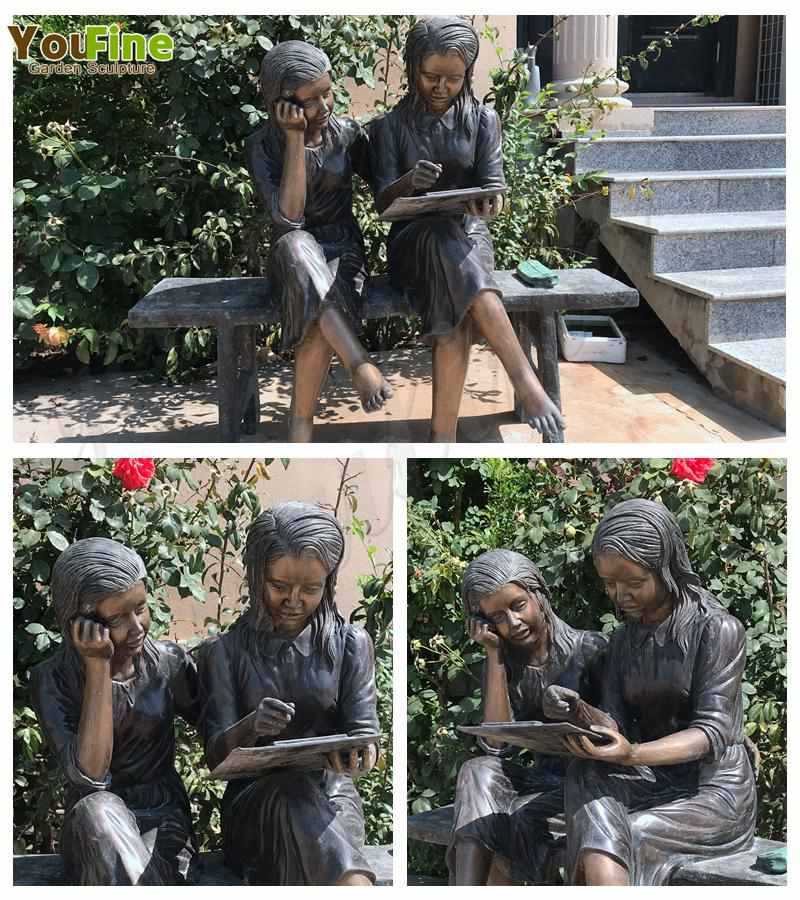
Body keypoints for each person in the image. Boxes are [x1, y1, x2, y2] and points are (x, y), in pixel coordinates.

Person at [368, 17, 564, 441]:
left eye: (453, 79)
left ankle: (443, 440)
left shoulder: (482, 120)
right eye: (431, 76)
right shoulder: (391, 127)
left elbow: (494, 190)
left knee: (455, 308)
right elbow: (383, 205)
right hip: (411, 241)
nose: (441, 88)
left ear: (468, 74)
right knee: (440, 239)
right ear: (412, 67)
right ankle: (528, 385)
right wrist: (407, 184)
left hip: (470, 235)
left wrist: (488, 203)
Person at [561, 499, 757, 885]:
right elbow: (614, 722)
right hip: (653, 781)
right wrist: (579, 713)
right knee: (584, 774)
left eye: (633, 583)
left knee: (619, 836)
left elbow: (711, 733)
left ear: (666, 569)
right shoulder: (623, 640)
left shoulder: (717, 631)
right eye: (610, 584)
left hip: (711, 791)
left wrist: (634, 753)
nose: (620, 596)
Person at [197, 502, 379, 885]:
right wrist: (250, 727)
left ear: (328, 582)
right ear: (256, 576)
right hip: (255, 807)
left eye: (311, 588)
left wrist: (359, 757)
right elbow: (215, 758)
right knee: (290, 789)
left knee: (314, 808)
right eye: (279, 586)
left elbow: (365, 734)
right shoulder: (224, 652)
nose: (294, 600)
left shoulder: (350, 643)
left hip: (331, 796)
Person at [30, 538, 200, 885]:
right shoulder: (53, 680)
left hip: (162, 817)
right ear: (80, 622)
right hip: (95, 828)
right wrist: (97, 666)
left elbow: (219, 732)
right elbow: (91, 776)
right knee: (100, 808)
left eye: (140, 608)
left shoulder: (167, 663)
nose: (137, 627)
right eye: (118, 617)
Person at [246, 41, 393, 442]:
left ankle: (300, 426)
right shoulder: (263, 146)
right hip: (290, 261)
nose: (325, 105)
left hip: (343, 251)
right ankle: (358, 361)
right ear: (283, 104)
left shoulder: (345, 134)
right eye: (311, 100)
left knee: (317, 313)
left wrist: (415, 185)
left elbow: (386, 188)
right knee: (296, 244)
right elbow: (289, 217)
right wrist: (294, 140)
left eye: (328, 92)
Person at [448, 549, 607, 884]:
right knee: (478, 770)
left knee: (516, 817)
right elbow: (495, 745)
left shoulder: (591, 648)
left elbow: (616, 731)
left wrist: (575, 711)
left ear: (540, 594)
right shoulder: (507, 665)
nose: (513, 623)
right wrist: (493, 655)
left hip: (588, 784)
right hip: (541, 780)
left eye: (518, 606)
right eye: (497, 618)